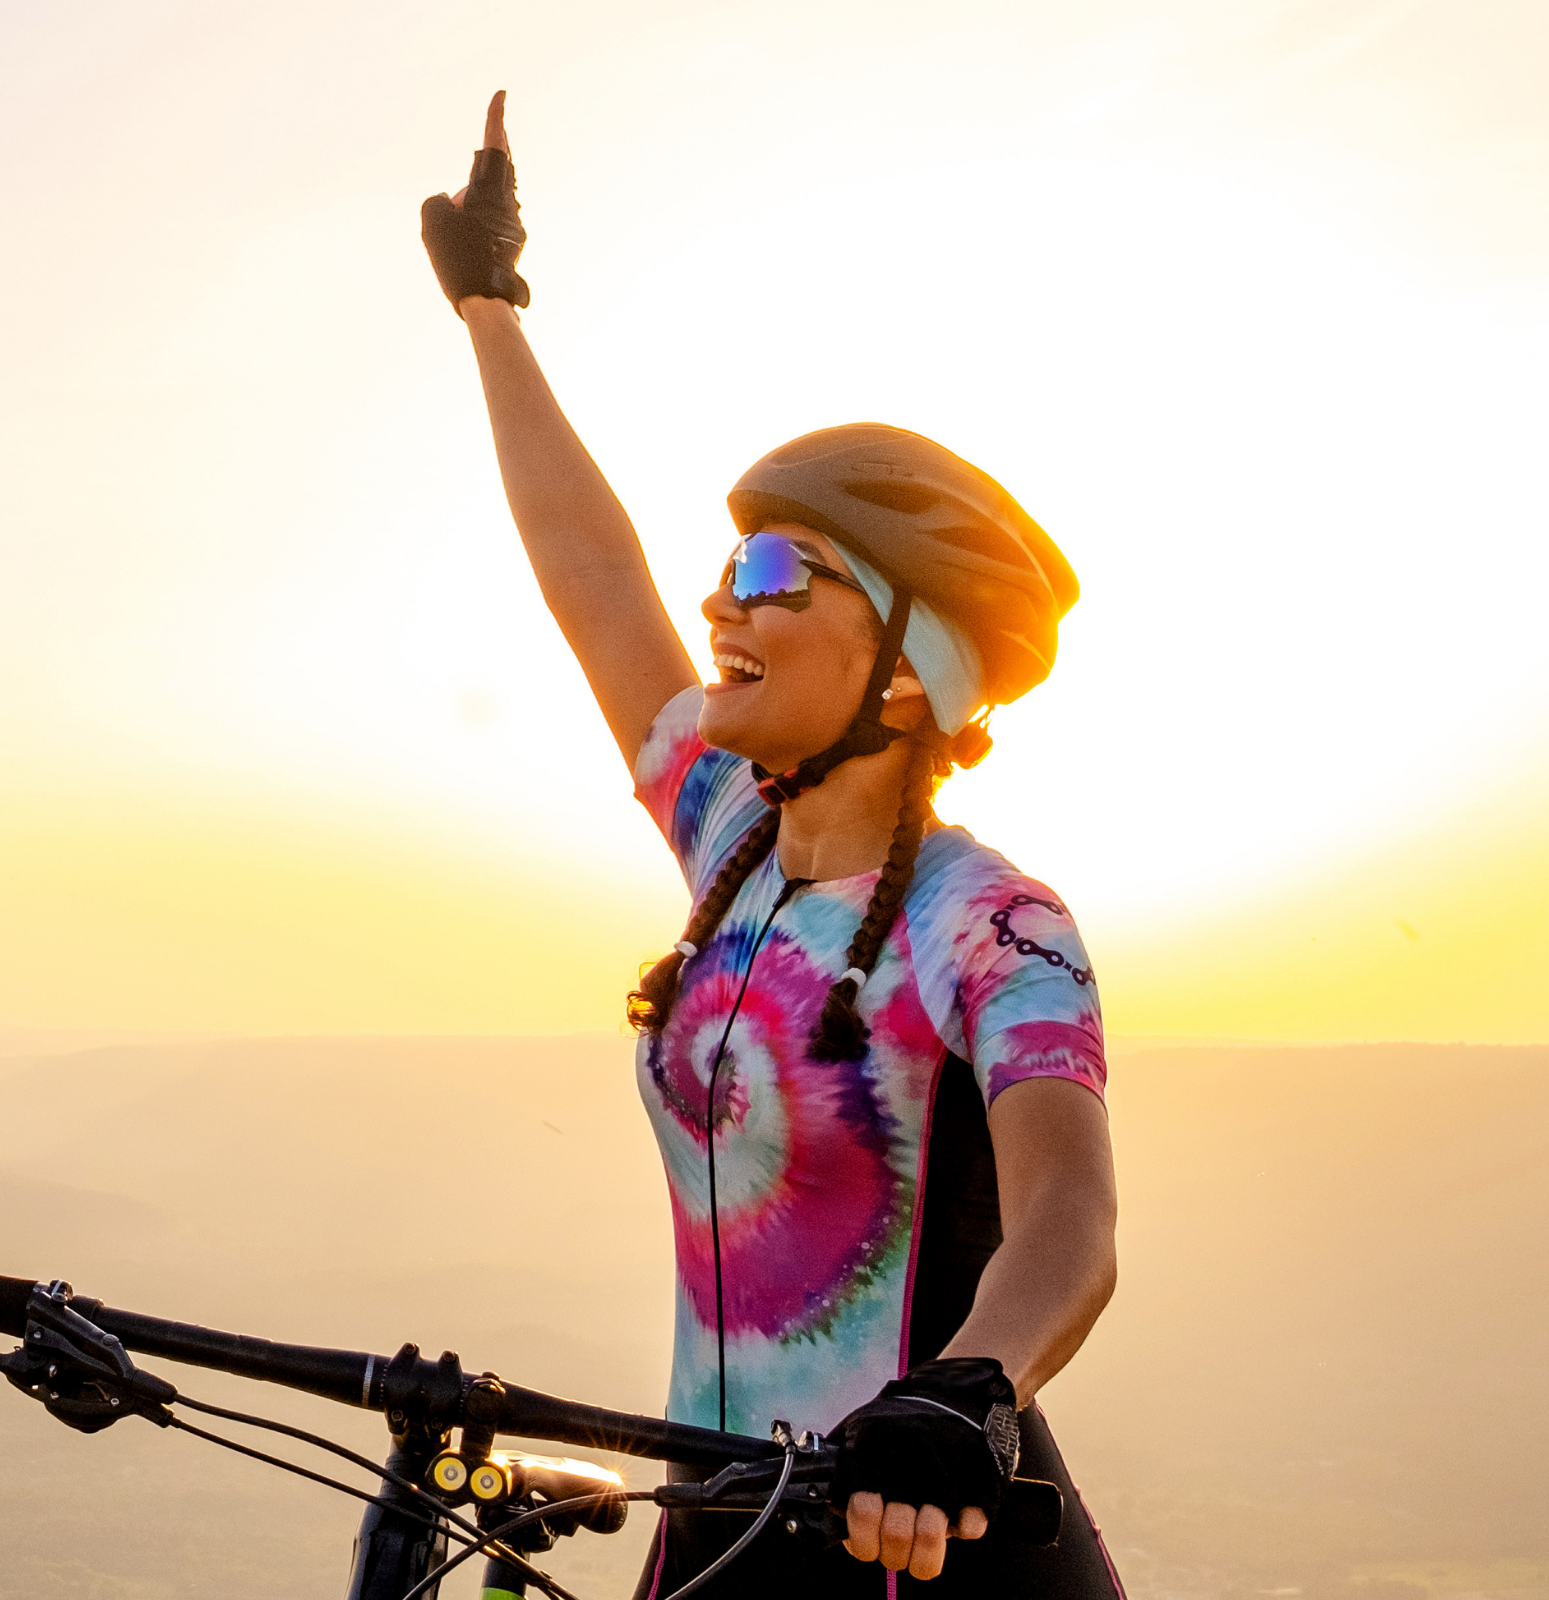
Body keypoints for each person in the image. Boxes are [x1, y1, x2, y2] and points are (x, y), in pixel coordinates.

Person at [421, 95, 1125, 1597]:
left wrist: (970, 1389)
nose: (721, 604)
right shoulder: (731, 838)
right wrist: (492, 309)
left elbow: (1072, 1221)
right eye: (726, 561)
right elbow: (594, 578)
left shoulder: (990, 925)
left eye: (774, 570)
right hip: (717, 1541)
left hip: (928, 1543)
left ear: (908, 664)